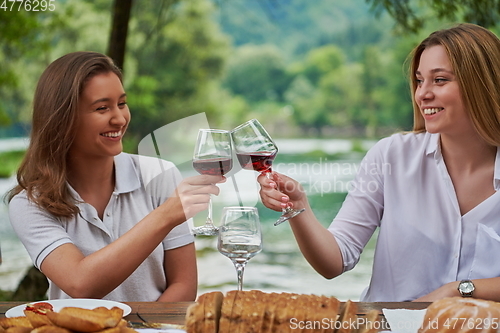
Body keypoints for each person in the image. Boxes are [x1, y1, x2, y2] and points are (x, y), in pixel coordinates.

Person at [257, 23, 500, 302]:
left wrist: (460, 290)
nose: (423, 94)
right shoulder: (390, 156)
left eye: (440, 80)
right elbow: (334, 260)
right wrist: (299, 206)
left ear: (482, 84)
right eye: (420, 80)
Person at [7, 51, 224, 301]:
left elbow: (183, 286)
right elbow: (80, 283)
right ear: (63, 120)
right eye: (102, 108)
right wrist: (165, 216)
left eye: (122, 103)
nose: (120, 119)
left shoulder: (159, 175)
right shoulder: (29, 203)